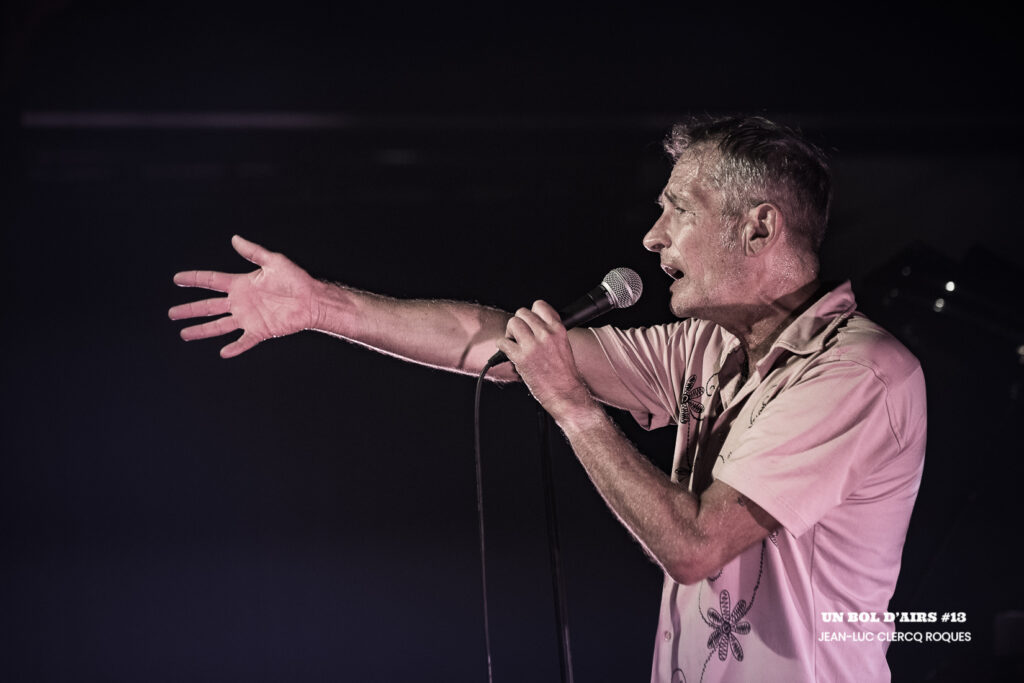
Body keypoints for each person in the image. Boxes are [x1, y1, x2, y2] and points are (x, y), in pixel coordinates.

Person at [169, 116, 926, 682]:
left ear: (759, 228)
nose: (653, 237)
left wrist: (573, 407)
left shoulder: (858, 373)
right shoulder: (707, 346)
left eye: (680, 209)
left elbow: (694, 546)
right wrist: (321, 307)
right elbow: (502, 345)